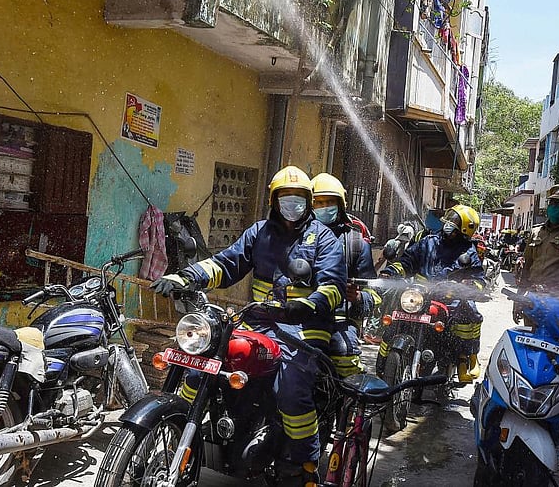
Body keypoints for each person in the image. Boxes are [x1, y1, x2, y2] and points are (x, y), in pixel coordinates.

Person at [150, 166, 346, 487]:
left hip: (304, 326)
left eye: (299, 198)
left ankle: (305, 463)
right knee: (202, 367)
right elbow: (226, 263)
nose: (292, 203)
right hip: (257, 322)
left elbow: (333, 286)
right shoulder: (259, 233)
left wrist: (306, 304)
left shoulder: (322, 238)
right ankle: (182, 429)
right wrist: (186, 276)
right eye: (286, 197)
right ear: (274, 199)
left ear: (308, 201)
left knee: (292, 389)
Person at [378, 204, 486, 383]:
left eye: (454, 222)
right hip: (419, 296)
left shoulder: (468, 251)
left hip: (449, 300)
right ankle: (384, 359)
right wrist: (392, 272)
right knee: (395, 316)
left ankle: (465, 356)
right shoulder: (428, 242)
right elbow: (407, 261)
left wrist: (468, 286)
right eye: (449, 219)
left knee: (470, 313)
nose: (448, 224)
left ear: (464, 229)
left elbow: (478, 279)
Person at [310, 173, 380, 377]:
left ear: (340, 205)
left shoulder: (356, 244)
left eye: (329, 202)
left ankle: (345, 405)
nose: (324, 207)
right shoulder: (297, 237)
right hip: (299, 317)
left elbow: (374, 296)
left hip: (340, 320)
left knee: (345, 356)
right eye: (318, 202)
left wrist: (358, 298)